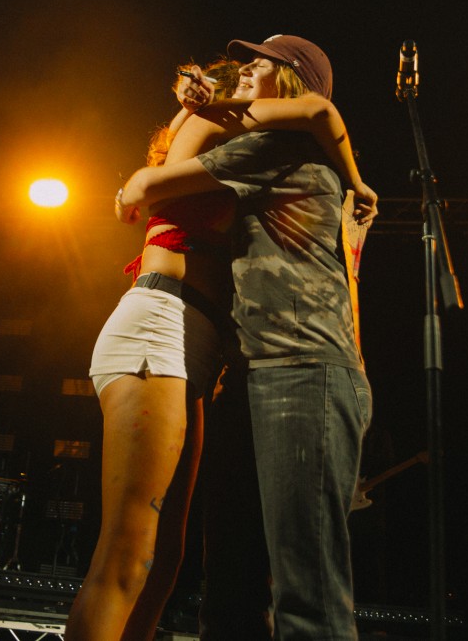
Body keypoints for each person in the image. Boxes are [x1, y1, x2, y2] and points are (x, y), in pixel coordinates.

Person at [114, 33, 376, 640]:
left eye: (259, 66)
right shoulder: (278, 144)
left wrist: (131, 186)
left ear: (290, 80)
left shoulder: (275, 146)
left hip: (303, 369)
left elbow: (148, 188)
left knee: (305, 594)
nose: (245, 74)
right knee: (230, 591)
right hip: (262, 371)